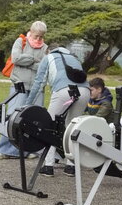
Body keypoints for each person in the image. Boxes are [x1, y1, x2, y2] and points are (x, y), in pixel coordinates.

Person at [25, 44, 90, 177]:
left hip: (63, 91)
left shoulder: (48, 57)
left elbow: (39, 82)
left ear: (48, 51)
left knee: (50, 126)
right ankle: (71, 166)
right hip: (84, 92)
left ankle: (48, 166)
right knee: (72, 127)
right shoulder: (75, 58)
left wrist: (28, 104)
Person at [0, 21, 48, 160]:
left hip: (37, 88)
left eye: (41, 37)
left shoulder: (45, 47)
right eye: (36, 36)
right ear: (31, 31)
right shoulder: (20, 41)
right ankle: (4, 150)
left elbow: (43, 67)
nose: (38, 39)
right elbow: (16, 59)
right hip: (19, 85)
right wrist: (34, 60)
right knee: (12, 116)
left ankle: (30, 150)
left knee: (34, 118)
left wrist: (27, 62)